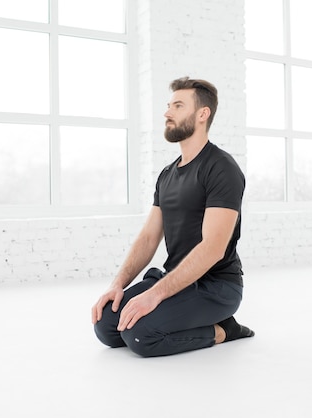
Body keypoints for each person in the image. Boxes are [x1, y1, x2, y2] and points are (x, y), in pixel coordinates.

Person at [91, 76, 254, 357]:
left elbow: (213, 249)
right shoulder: (167, 174)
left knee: (140, 335)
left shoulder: (221, 168)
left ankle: (224, 329)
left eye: (178, 106)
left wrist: (155, 295)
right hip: (176, 279)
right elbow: (148, 238)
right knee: (107, 324)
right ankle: (174, 312)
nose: (167, 113)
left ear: (202, 114)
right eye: (169, 105)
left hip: (216, 287)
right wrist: (117, 285)